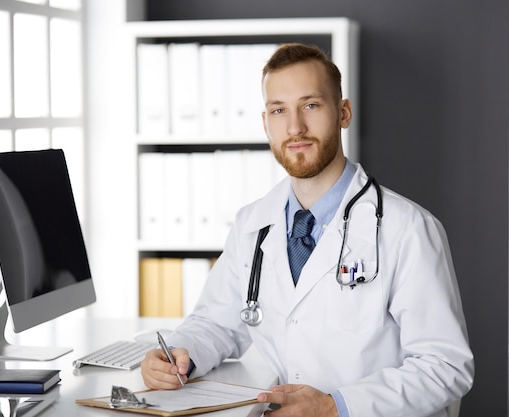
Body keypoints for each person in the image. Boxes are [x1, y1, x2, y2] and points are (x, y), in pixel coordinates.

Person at [141, 43, 474, 417]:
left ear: (343, 113)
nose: (295, 126)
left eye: (310, 105)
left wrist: (335, 407)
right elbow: (215, 322)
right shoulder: (253, 224)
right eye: (278, 110)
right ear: (265, 123)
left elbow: (445, 366)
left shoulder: (408, 228)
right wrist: (178, 355)